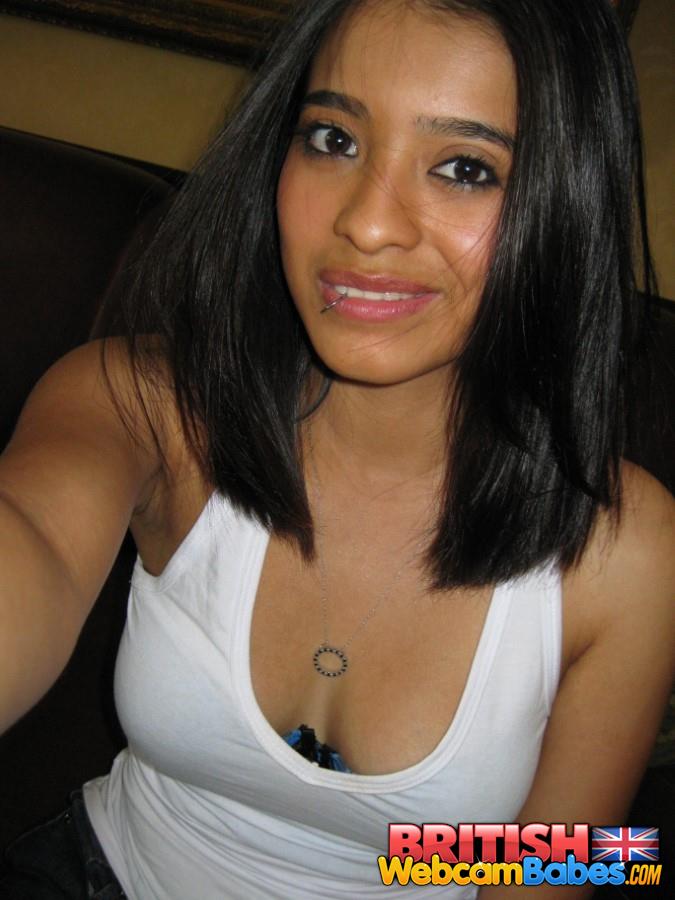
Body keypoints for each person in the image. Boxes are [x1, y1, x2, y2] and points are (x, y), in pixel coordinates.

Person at [1, 0, 673, 897]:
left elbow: (578, 857)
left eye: (464, 168)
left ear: (566, 207)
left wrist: (387, 861)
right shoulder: (146, 406)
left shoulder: (629, 549)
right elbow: (30, 538)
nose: (366, 223)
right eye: (334, 140)